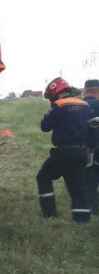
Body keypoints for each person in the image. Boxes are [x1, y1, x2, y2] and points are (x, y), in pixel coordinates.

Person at [36, 77, 95, 222]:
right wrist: (90, 150)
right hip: (81, 152)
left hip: (63, 152)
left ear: (55, 93)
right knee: (78, 187)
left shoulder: (58, 105)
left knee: (43, 177)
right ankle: (82, 219)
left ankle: (49, 214)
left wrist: (49, 111)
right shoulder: (86, 105)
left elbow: (45, 127)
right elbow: (93, 132)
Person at [82, 79, 99, 213]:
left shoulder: (80, 105)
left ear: (86, 91)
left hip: (88, 148)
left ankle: (93, 208)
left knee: (90, 179)